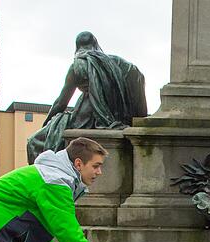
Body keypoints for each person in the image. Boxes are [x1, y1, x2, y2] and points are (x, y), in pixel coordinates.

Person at [27, 31, 147, 163]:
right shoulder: (118, 63)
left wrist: (48, 123)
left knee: (34, 141)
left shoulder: (77, 65)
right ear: (95, 44)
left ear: (77, 47)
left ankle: (42, 175)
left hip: (86, 116)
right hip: (116, 114)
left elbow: (61, 103)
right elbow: (137, 77)